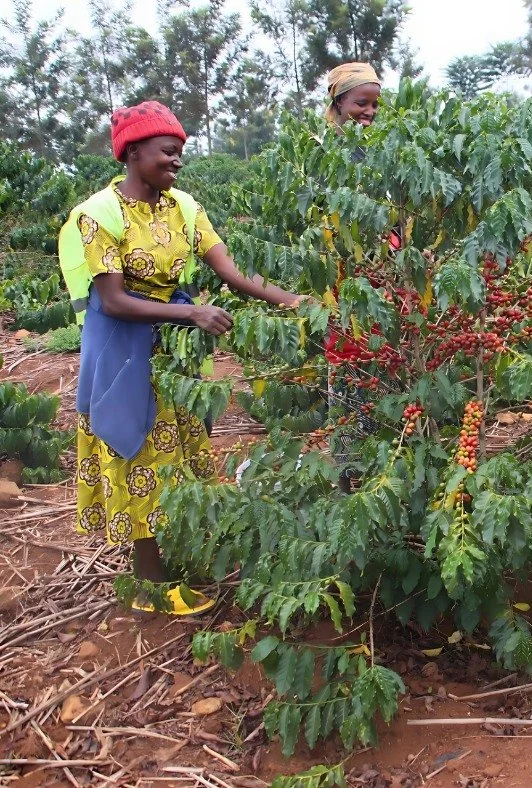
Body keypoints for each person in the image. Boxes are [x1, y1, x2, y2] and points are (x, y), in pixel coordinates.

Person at [60, 101, 303, 615]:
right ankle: (149, 587)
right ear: (133, 153)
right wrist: (190, 314)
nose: (177, 161)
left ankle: (176, 558)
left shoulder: (184, 208)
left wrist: (296, 302)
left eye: (179, 153)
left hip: (172, 352)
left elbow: (231, 271)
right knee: (138, 456)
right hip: (123, 348)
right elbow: (113, 300)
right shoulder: (99, 214)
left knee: (180, 455)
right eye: (167, 151)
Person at [320, 63, 389, 492]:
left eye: (375, 105)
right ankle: (350, 479)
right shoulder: (323, 154)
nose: (369, 112)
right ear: (339, 102)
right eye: (361, 103)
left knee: (386, 374)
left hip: (385, 284)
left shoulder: (379, 152)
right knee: (350, 374)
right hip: (346, 287)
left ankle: (384, 473)